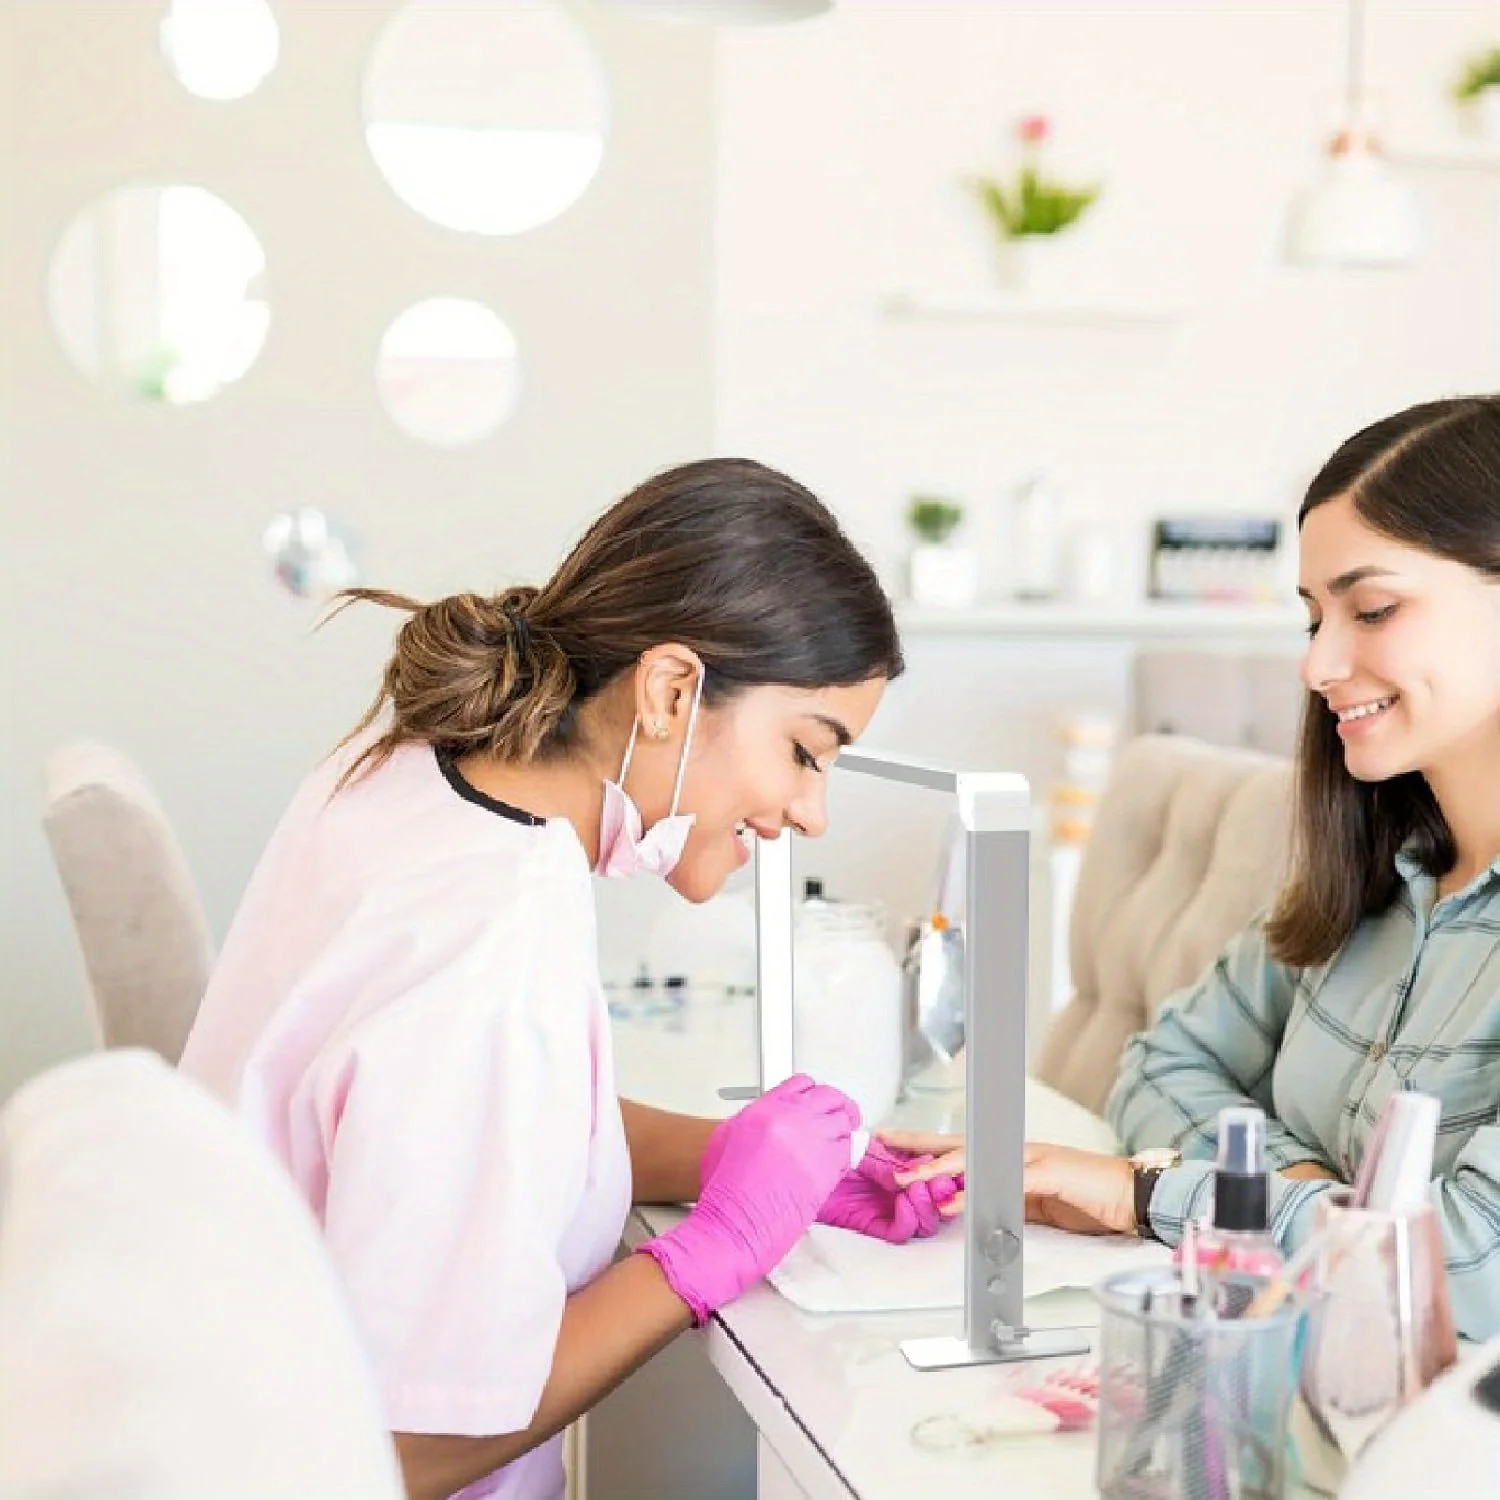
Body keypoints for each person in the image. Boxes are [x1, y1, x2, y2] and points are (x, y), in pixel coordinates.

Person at [180, 458, 959, 1500]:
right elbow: (407, 1449)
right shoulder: (488, 937)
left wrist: (737, 1160)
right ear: (673, 690)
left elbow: (491, 1125)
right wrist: (709, 1255)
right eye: (807, 752)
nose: (812, 813)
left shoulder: (423, 773)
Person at [884, 395, 1500, 1341]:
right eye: (1311, 618)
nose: (1319, 664)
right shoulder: (1372, 869)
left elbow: (1466, 1273)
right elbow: (1165, 1064)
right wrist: (1301, 1194)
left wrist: (1154, 1195)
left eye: (1372, 608)